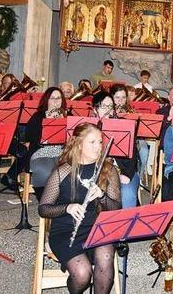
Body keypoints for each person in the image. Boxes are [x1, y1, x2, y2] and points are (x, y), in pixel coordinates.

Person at [38, 123, 121, 294]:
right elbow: (43, 209)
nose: (98, 147)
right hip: (65, 230)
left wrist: (101, 196)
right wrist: (67, 207)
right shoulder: (62, 172)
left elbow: (116, 208)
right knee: (82, 274)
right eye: (92, 142)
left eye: (100, 142)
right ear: (78, 144)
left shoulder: (108, 170)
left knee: (105, 259)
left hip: (97, 228)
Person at [92, 92, 139, 208]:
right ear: (95, 109)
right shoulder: (88, 128)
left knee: (127, 193)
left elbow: (133, 156)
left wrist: (126, 174)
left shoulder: (124, 126)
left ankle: (127, 224)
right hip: (96, 173)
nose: (108, 110)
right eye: (104, 106)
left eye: (110, 106)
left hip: (122, 170)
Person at [26, 87, 67, 200]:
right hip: (42, 152)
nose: (55, 101)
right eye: (52, 98)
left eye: (58, 98)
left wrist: (64, 122)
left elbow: (75, 136)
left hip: (63, 152)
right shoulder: (38, 116)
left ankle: (64, 199)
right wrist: (46, 124)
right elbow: (28, 135)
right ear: (46, 100)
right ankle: (46, 202)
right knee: (45, 170)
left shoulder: (68, 115)